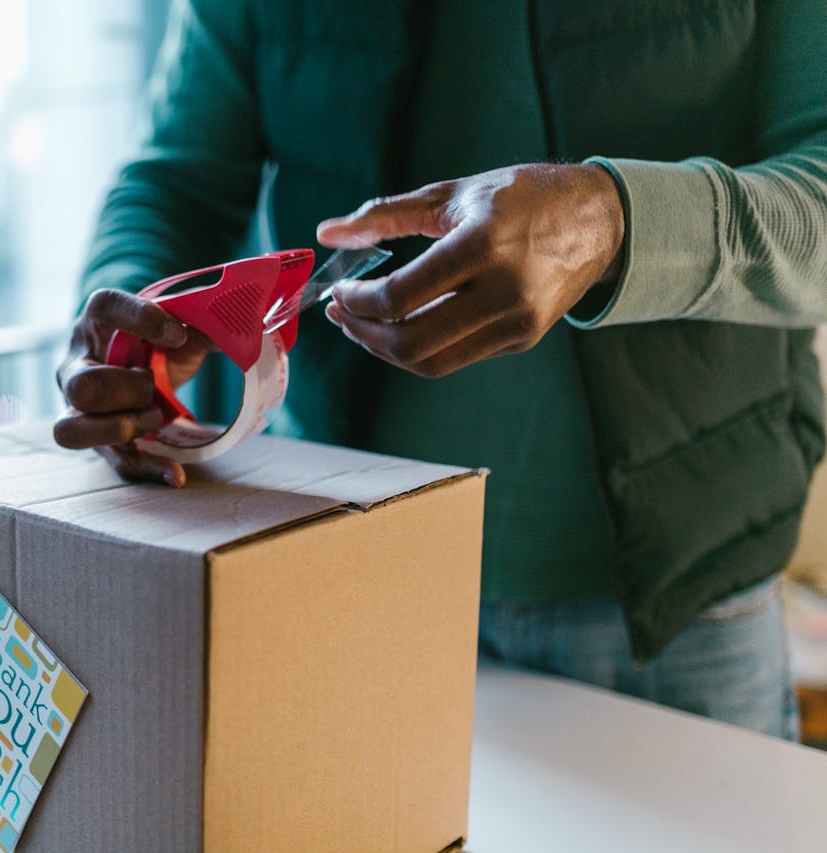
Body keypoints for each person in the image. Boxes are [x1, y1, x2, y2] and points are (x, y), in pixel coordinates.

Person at [53, 1, 827, 740]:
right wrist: (130, 305)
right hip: (341, 580)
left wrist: (619, 221)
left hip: (679, 618)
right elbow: (175, 179)